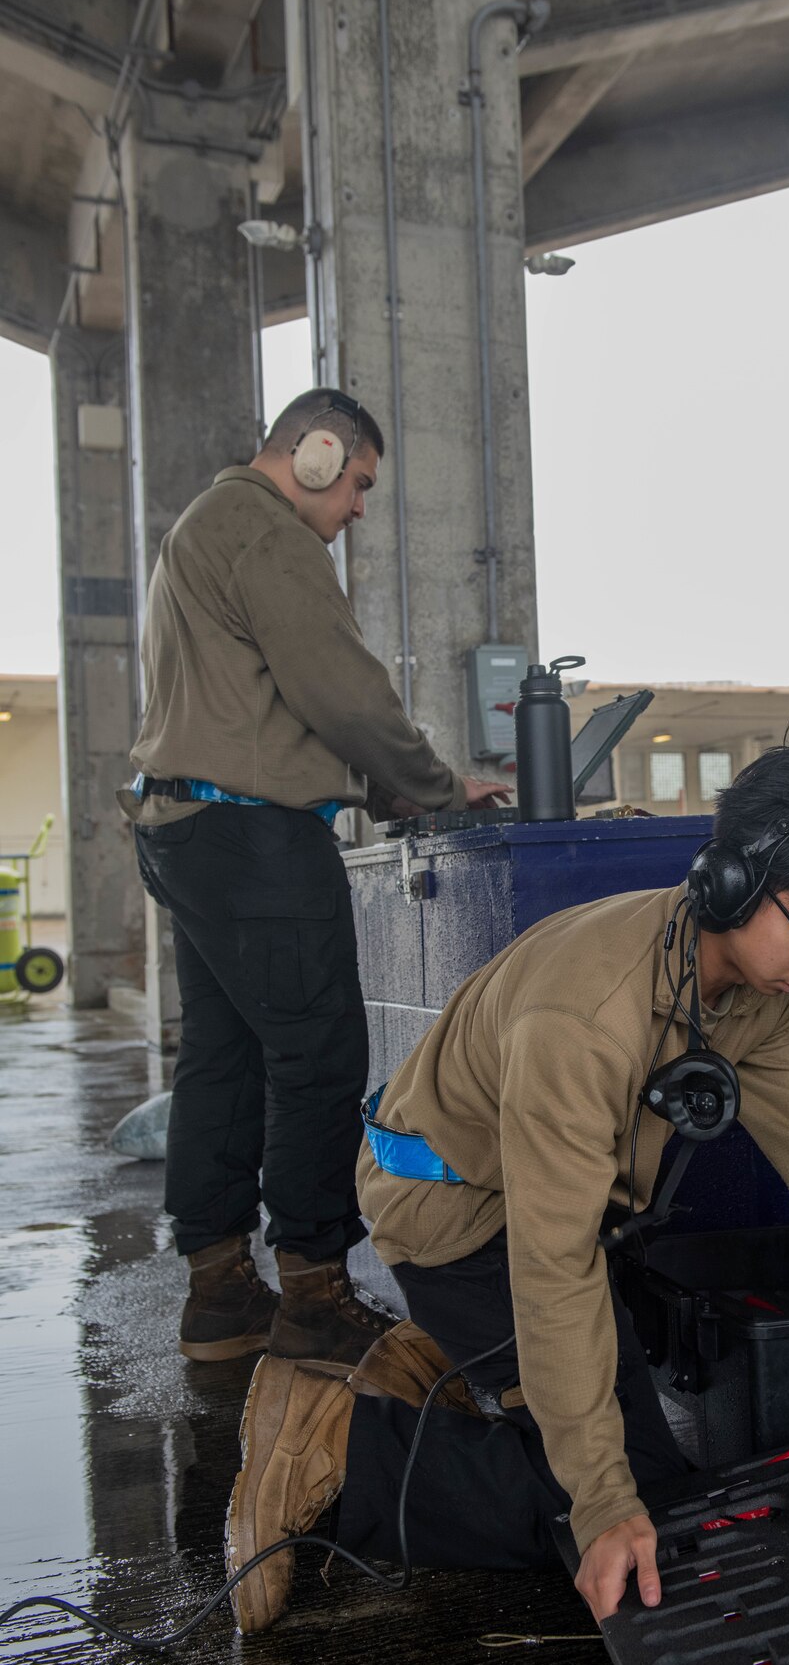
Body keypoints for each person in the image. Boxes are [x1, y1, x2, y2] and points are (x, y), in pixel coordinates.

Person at [223, 745, 789, 1633]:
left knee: (632, 1467)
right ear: (730, 885)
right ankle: (339, 1448)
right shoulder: (583, 1017)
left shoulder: (754, 991)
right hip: (459, 1223)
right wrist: (601, 1499)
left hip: (540, 1214)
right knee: (624, 1507)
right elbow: (554, 1264)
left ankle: (454, 1366)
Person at [122, 389, 509, 1367]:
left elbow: (269, 707)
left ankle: (219, 1293)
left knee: (224, 1057)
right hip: (253, 838)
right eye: (359, 484)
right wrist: (434, 785)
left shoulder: (202, 528)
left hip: (187, 828)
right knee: (320, 1056)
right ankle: (315, 1297)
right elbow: (341, 689)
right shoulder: (267, 530)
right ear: (318, 453)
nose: (359, 509)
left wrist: (387, 790)